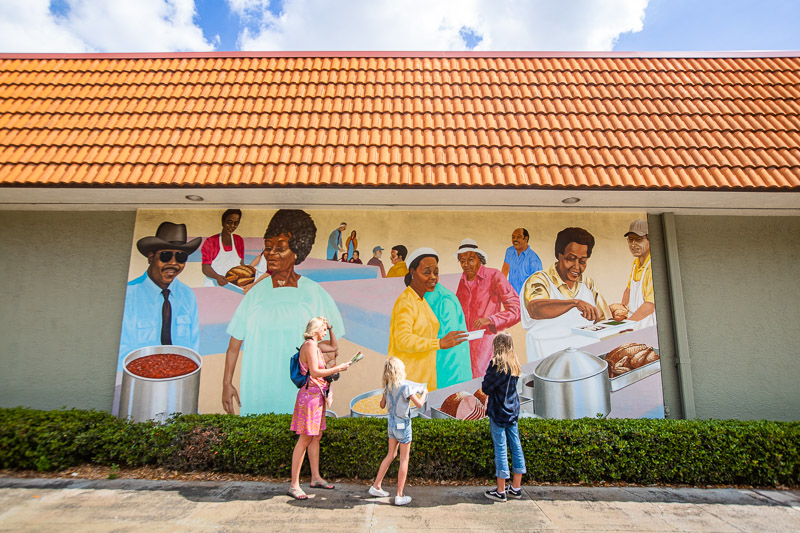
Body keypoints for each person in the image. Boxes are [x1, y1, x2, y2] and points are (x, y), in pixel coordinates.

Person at [222, 209, 345, 416]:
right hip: (257, 391)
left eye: (280, 249)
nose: (271, 254)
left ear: (297, 251)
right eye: (268, 248)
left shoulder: (315, 294)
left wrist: (326, 373)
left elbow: (332, 349)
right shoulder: (255, 295)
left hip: (300, 394)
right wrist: (227, 383)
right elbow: (234, 346)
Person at [118, 222, 201, 372]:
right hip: (139, 380)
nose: (174, 263)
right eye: (166, 255)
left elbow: (193, 347)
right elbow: (121, 350)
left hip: (179, 379)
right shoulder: (129, 295)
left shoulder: (188, 296)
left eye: (181, 257)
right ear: (151, 257)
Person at [520, 227, 611, 363]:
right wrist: (574, 303)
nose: (576, 267)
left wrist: (614, 316)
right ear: (559, 255)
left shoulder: (587, 283)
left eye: (582, 261)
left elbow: (604, 318)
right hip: (548, 363)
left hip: (586, 361)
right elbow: (535, 309)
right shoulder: (540, 280)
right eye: (571, 259)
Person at [287, 317, 352, 500]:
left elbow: (334, 347)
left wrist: (331, 328)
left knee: (316, 436)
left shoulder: (316, 346)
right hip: (309, 399)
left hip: (317, 397)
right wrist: (337, 368)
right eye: (324, 329)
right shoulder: (309, 346)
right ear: (316, 330)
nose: (325, 332)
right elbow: (315, 372)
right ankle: (294, 485)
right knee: (305, 438)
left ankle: (315, 477)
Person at [387, 247, 467, 389]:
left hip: (425, 382)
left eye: (436, 273)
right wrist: (439, 343)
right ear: (412, 272)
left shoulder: (422, 300)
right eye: (426, 272)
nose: (433, 277)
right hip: (408, 382)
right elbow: (402, 340)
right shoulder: (406, 302)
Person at [455, 238, 521, 378]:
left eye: (470, 259)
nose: (466, 265)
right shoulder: (462, 281)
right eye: (462, 261)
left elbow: (516, 309)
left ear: (480, 259)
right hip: (465, 347)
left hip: (488, 345)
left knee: (486, 384)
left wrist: (491, 319)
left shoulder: (494, 276)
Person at [368, 357, 428, 506]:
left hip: (391, 424)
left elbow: (382, 405)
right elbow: (419, 404)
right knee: (403, 460)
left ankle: (376, 486)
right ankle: (399, 495)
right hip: (403, 425)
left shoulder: (388, 387)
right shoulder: (405, 387)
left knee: (391, 454)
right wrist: (424, 392)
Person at [481, 333, 526, 502]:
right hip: (513, 411)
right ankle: (516, 487)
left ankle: (500, 491)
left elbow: (486, 387)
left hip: (498, 412)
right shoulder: (515, 364)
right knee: (516, 446)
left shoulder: (496, 365)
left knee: (500, 449)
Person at [610, 220, 656, 329]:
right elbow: (628, 291)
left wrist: (626, 324)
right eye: (631, 240)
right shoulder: (636, 263)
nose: (633, 244)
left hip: (648, 326)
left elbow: (650, 306)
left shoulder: (652, 266)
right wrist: (622, 311)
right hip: (635, 325)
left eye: (639, 240)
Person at [201, 209, 245, 287]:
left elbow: (241, 264)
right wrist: (217, 277)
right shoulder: (211, 241)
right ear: (223, 222)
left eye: (236, 223)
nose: (232, 226)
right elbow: (205, 267)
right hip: (213, 284)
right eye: (229, 222)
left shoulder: (239, 240)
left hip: (233, 286)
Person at [502, 228, 543, 296]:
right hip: (511, 296)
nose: (515, 240)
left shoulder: (534, 259)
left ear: (526, 239)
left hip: (525, 298)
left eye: (519, 237)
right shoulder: (510, 251)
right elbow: (505, 269)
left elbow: (536, 283)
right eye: (513, 237)